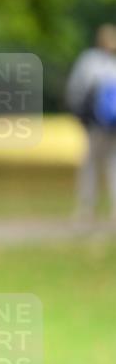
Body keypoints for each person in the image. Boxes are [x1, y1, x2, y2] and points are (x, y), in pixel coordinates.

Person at [65, 23, 116, 223]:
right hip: (104, 124)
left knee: (92, 165)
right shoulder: (96, 62)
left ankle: (86, 209)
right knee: (110, 163)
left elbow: (76, 89)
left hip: (95, 124)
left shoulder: (89, 61)